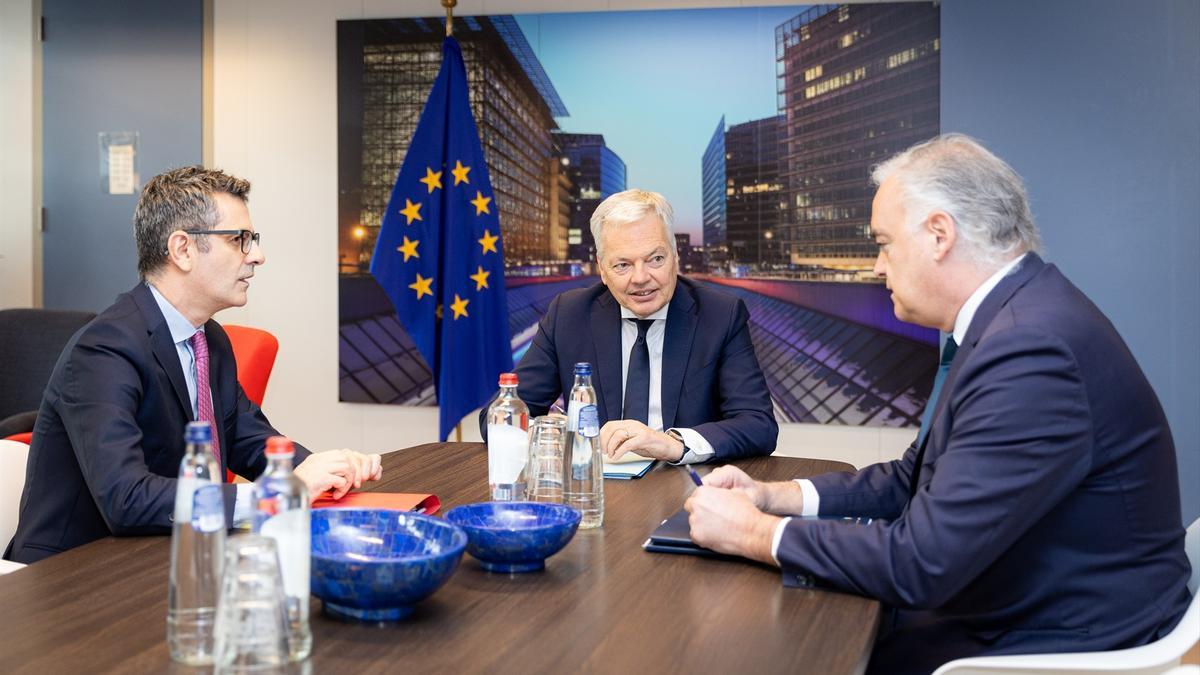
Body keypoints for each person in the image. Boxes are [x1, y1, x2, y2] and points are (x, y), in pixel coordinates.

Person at [684, 135, 1191, 673]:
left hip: (1059, 637)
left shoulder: (1029, 349)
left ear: (939, 235)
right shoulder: (1015, 318)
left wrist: (754, 534)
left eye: (883, 243)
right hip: (1019, 602)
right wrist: (772, 495)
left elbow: (921, 563)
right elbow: (915, 477)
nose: (877, 267)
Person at [5, 166, 382, 564]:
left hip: (163, 556)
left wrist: (325, 470)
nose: (257, 255)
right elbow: (125, 498)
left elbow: (247, 440)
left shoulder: (209, 338)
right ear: (183, 249)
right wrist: (279, 494)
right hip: (70, 577)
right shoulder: (104, 349)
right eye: (240, 240)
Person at [482, 189, 777, 463]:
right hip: (594, 486)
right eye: (622, 265)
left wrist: (672, 444)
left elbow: (758, 425)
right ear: (603, 269)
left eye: (655, 259)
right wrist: (564, 438)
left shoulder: (720, 314)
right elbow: (498, 418)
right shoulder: (568, 314)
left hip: (687, 488)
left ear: (675, 258)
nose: (640, 278)